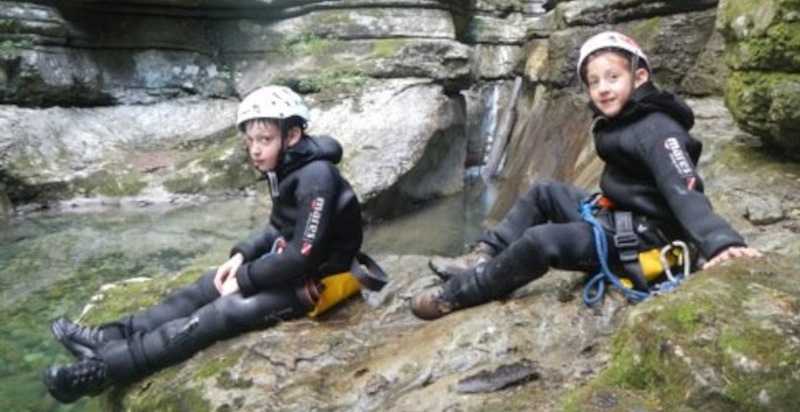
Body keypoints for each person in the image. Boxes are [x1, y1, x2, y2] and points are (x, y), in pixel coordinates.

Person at [44, 85, 372, 403]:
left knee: (227, 309)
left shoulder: (316, 177)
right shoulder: (286, 168)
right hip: (294, 265)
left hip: (322, 279)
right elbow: (278, 227)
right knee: (208, 284)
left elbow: (303, 254)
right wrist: (241, 256)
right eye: (250, 141)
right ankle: (108, 336)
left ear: (292, 136)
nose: (255, 149)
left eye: (265, 140)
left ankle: (104, 371)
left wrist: (246, 280)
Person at [412, 31, 763, 320]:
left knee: (540, 241)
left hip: (645, 238)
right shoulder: (621, 120)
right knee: (545, 190)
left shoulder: (658, 130)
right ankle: (484, 253)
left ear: (639, 78)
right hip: (617, 216)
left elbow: (685, 189)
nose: (603, 89)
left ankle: (458, 294)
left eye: (613, 77)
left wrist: (721, 242)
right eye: (594, 82)